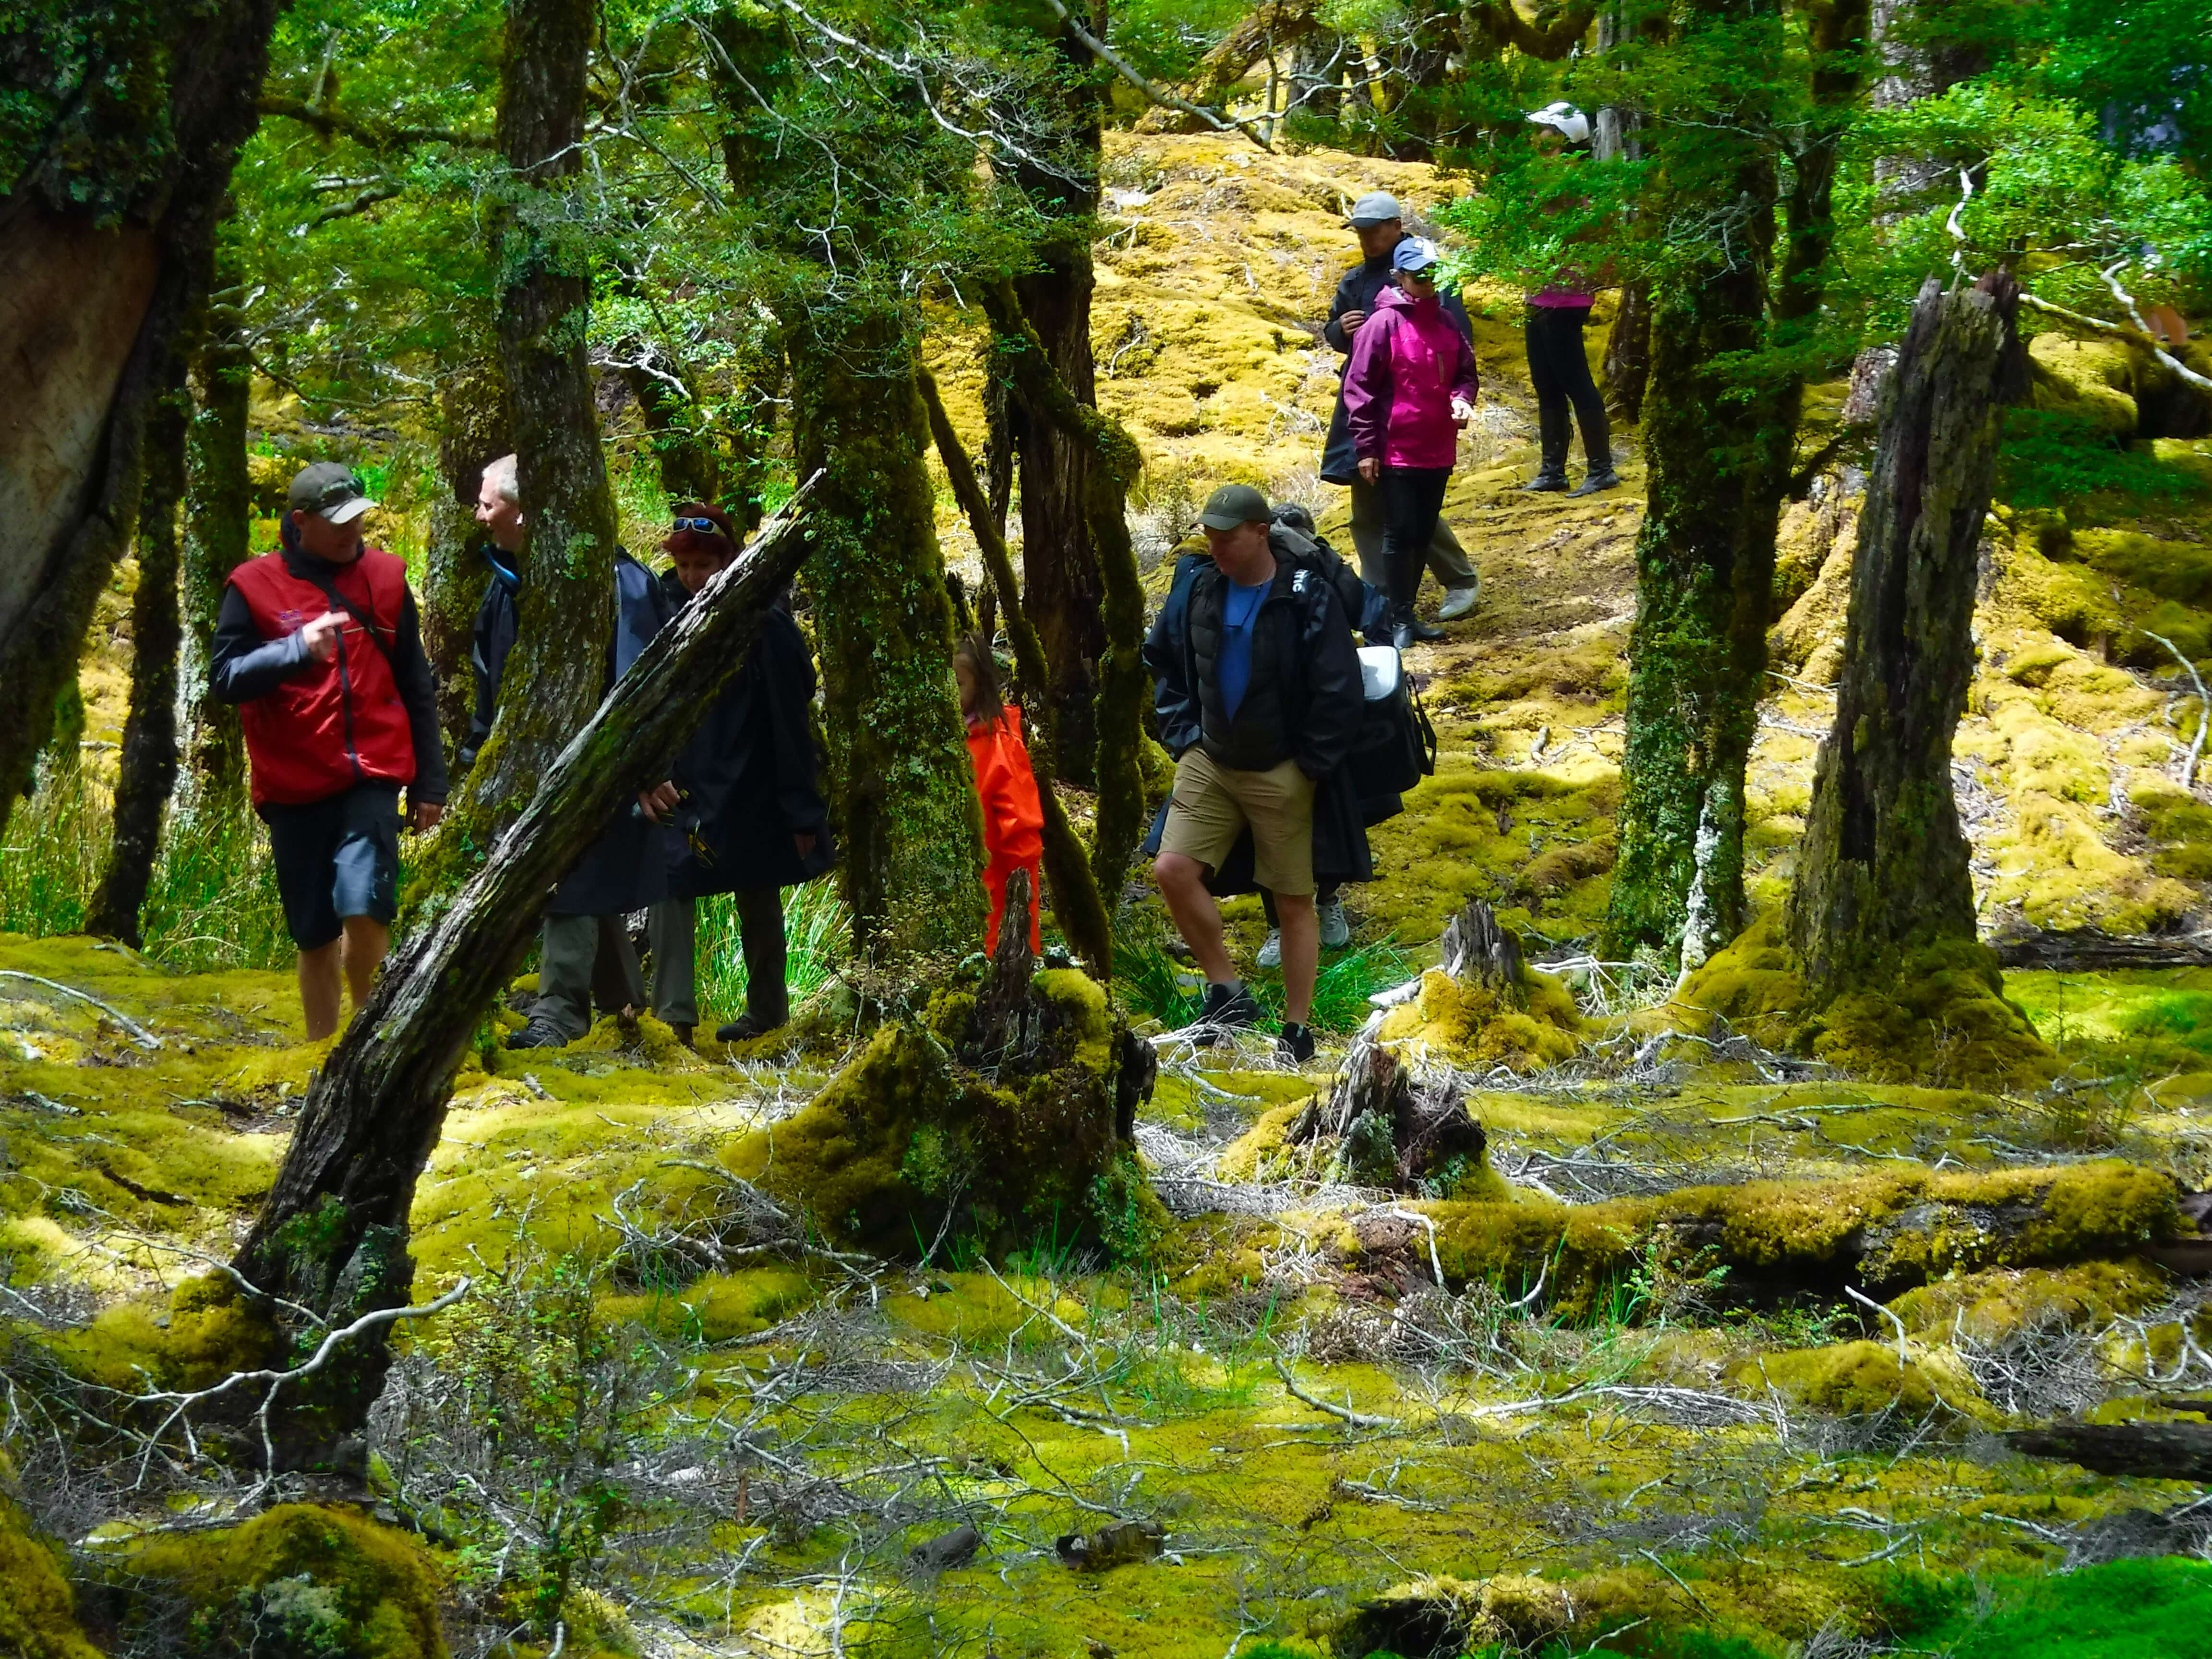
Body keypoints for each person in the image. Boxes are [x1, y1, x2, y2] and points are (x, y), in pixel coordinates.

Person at [212, 462, 447, 1039]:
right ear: (300, 523)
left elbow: (417, 685)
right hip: (293, 786)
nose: (353, 534)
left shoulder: (388, 580)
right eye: (338, 523)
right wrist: (295, 648)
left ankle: (371, 1044)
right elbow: (225, 678)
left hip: (371, 776)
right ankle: (322, 1051)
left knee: (364, 903)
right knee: (314, 932)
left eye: (359, 521)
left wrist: (430, 784)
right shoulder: (252, 587)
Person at [1145, 484, 1364, 1065]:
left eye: (1227, 538)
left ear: (1261, 533)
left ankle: (1297, 1028)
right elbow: (1162, 660)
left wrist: (1311, 767)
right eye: (1210, 538)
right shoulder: (1198, 587)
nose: (1215, 548)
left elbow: (1341, 688)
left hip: (1282, 770)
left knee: (1293, 899)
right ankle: (1227, 990)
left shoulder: (1305, 595)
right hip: (1209, 760)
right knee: (1171, 868)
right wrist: (1184, 737)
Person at [467, 453, 678, 1049]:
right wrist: (477, 761)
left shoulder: (619, 582)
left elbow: (642, 682)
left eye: (488, 504)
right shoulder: (508, 584)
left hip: (602, 767)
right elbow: (491, 681)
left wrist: (647, 767)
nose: (479, 517)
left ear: (526, 510)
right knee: (581, 881)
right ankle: (624, 1009)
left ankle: (559, 1014)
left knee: (573, 881)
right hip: (530, 768)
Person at [641, 503, 835, 1047]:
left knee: (757, 888)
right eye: (684, 567)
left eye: (704, 566)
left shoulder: (766, 623)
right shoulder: (661, 614)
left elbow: (790, 722)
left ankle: (767, 1013)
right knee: (671, 885)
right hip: (683, 782)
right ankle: (673, 1017)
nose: (692, 578)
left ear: (729, 562)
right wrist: (650, 773)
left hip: (751, 782)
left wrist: (801, 809)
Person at [1319, 191, 1482, 624]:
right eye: (1360, 232)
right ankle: (1384, 603)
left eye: (1375, 231)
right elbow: (1336, 337)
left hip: (1416, 414)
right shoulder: (1355, 281)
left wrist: (1456, 399)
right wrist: (1340, 330)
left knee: (1410, 508)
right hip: (1365, 406)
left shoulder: (1433, 274)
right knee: (1367, 508)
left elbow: (1456, 345)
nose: (1367, 239)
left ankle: (1459, 579)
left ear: (1396, 226)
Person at [1521, 102, 1619, 497]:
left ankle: (1601, 469)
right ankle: (1552, 471)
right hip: (1537, 293)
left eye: (1544, 129)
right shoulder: (1541, 177)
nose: (1537, 137)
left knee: (1575, 380)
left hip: (1567, 298)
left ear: (1562, 137)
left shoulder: (1574, 181)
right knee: (1546, 383)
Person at [954, 633, 1046, 955]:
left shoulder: (1000, 745)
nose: (951, 692)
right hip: (961, 897)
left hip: (996, 897)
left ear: (979, 685)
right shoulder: (944, 741)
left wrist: (1020, 903)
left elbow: (1023, 836)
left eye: (959, 683)